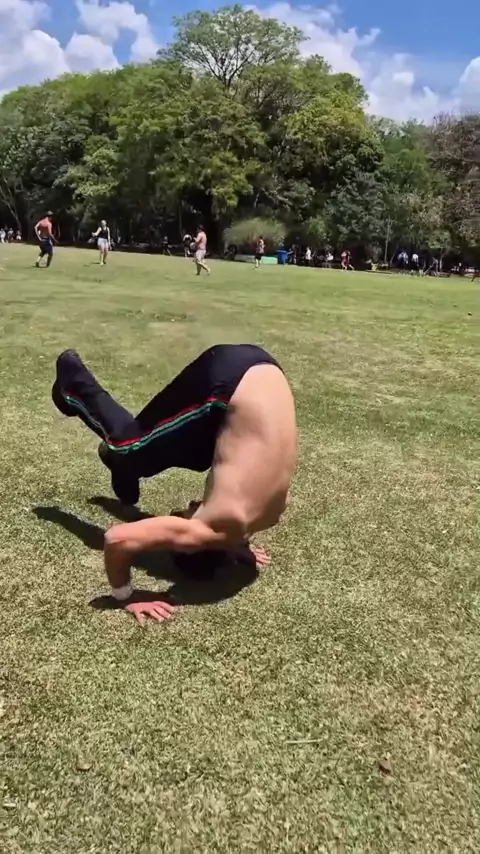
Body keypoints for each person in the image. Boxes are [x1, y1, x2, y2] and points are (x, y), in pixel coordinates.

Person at [52, 345, 297, 624]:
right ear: (191, 544)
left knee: (197, 457)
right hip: (228, 380)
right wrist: (126, 595)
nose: (185, 507)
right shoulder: (208, 529)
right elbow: (117, 540)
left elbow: (242, 508)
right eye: (180, 517)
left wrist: (237, 544)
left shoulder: (269, 515)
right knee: (129, 446)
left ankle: (128, 467)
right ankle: (73, 385)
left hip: (267, 367)